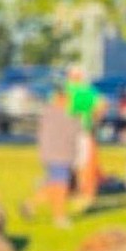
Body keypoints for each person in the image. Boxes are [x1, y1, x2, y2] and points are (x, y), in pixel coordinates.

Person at [22, 85, 81, 227]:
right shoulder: (66, 115)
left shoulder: (47, 113)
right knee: (61, 187)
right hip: (60, 155)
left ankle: (30, 204)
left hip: (51, 155)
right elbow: (76, 131)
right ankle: (59, 217)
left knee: (55, 185)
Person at [64, 64, 105, 210]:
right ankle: (82, 191)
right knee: (83, 162)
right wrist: (95, 118)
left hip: (73, 131)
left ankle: (74, 190)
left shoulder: (68, 90)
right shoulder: (86, 90)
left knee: (75, 162)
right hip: (81, 131)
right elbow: (101, 105)